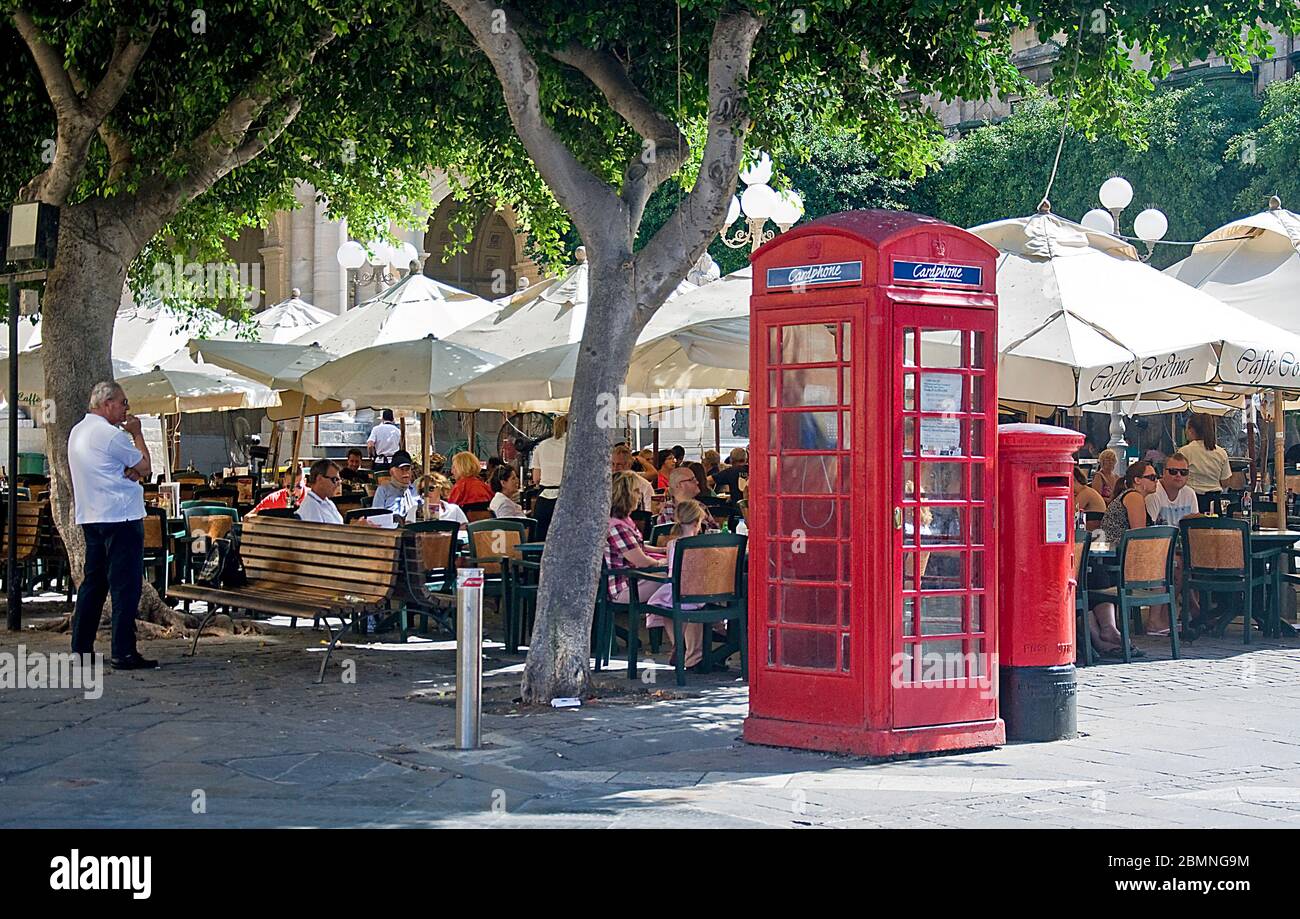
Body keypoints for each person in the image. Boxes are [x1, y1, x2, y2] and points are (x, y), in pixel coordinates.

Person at [68, 381, 156, 670]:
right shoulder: (111, 436)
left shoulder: (78, 432)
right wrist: (138, 434)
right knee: (125, 586)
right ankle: (123, 651)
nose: (126, 409)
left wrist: (128, 469)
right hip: (121, 516)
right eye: (123, 403)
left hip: (91, 516)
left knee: (93, 584)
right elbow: (145, 466)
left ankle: (81, 647)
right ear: (107, 404)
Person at [1090, 461, 1160, 658]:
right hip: (1119, 561)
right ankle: (1108, 633)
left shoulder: (1134, 497)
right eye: (1152, 477)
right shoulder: (1134, 497)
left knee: (1089, 579)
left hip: (1111, 559)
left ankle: (1103, 634)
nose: (1157, 481)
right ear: (1137, 481)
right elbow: (1138, 537)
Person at [644, 497, 708, 671]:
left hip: (676, 594)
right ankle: (693, 653)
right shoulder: (704, 545)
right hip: (700, 595)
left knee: (664, 606)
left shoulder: (673, 544)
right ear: (697, 522)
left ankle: (677, 643)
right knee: (690, 608)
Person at [605, 469, 668, 613]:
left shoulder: (622, 520)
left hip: (633, 579)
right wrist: (663, 562)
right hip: (624, 587)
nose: (639, 495)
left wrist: (662, 550)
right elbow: (642, 562)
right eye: (636, 491)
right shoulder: (617, 527)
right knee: (675, 577)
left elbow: (635, 546)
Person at [1181, 413, 1233, 513]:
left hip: (1191, 500)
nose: (1186, 432)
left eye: (1186, 428)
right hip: (1214, 502)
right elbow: (1225, 482)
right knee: (1213, 527)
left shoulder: (1184, 452)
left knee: (1192, 527)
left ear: (1191, 431)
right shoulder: (1221, 453)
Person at [531, 415, 567, 539]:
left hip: (544, 499)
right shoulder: (574, 446)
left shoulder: (542, 446)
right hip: (566, 498)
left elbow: (536, 478)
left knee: (541, 539)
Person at [656, 466, 719, 531]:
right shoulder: (668, 510)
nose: (697, 482)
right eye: (692, 479)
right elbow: (668, 538)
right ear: (679, 485)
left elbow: (715, 532)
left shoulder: (701, 506)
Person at [1146, 453, 1199, 528]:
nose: (1178, 475)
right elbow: (1149, 530)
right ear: (1163, 472)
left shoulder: (1190, 493)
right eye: (1173, 471)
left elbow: (1195, 527)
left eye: (1183, 472)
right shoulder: (1153, 493)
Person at [372, 450, 421, 522]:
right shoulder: (384, 489)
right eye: (401, 469)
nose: (405, 473)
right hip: (391, 528)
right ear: (392, 472)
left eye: (407, 469)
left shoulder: (417, 489)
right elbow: (376, 515)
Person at [295, 459, 345, 524]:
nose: (338, 484)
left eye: (339, 480)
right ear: (319, 479)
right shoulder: (310, 507)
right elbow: (319, 533)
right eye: (334, 479)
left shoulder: (328, 502)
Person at [612, 444, 654, 512]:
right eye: (612, 464)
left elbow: (648, 512)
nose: (614, 468)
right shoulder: (605, 485)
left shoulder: (644, 485)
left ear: (629, 464)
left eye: (619, 464)